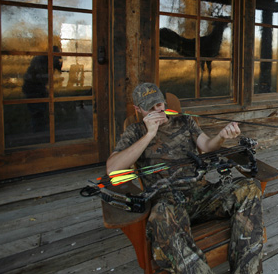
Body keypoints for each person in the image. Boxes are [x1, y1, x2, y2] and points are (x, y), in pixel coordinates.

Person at [107, 83, 263, 274]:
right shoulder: (134, 132)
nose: (159, 109)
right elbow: (113, 168)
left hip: (201, 193)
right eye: (151, 107)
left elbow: (206, 145)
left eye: (160, 104)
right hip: (168, 204)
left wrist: (221, 137)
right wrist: (149, 135)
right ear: (138, 110)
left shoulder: (185, 121)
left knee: (249, 187)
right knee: (159, 216)